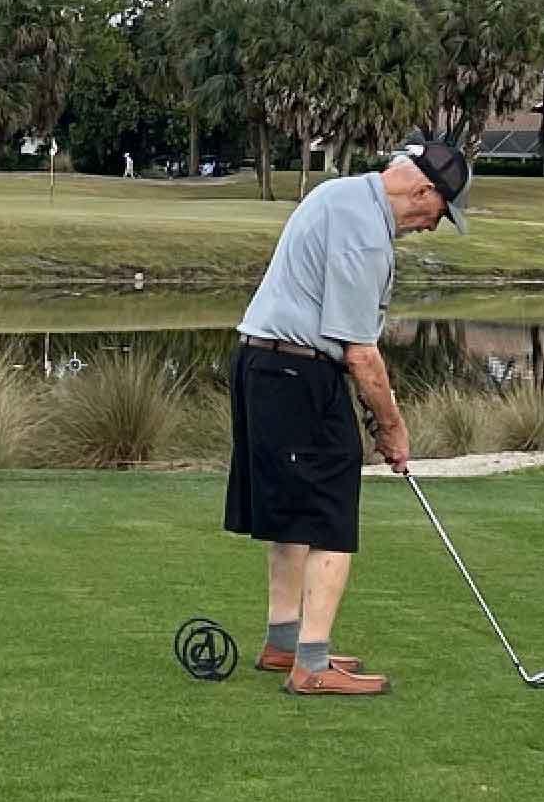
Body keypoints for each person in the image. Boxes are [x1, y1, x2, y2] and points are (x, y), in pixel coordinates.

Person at [224, 141, 471, 696]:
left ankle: (283, 643)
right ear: (423, 190)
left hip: (263, 364)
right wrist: (392, 427)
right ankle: (311, 665)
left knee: (293, 510)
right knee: (331, 511)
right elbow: (360, 351)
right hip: (295, 372)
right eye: (440, 212)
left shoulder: (341, 194)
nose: (433, 226)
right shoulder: (364, 233)